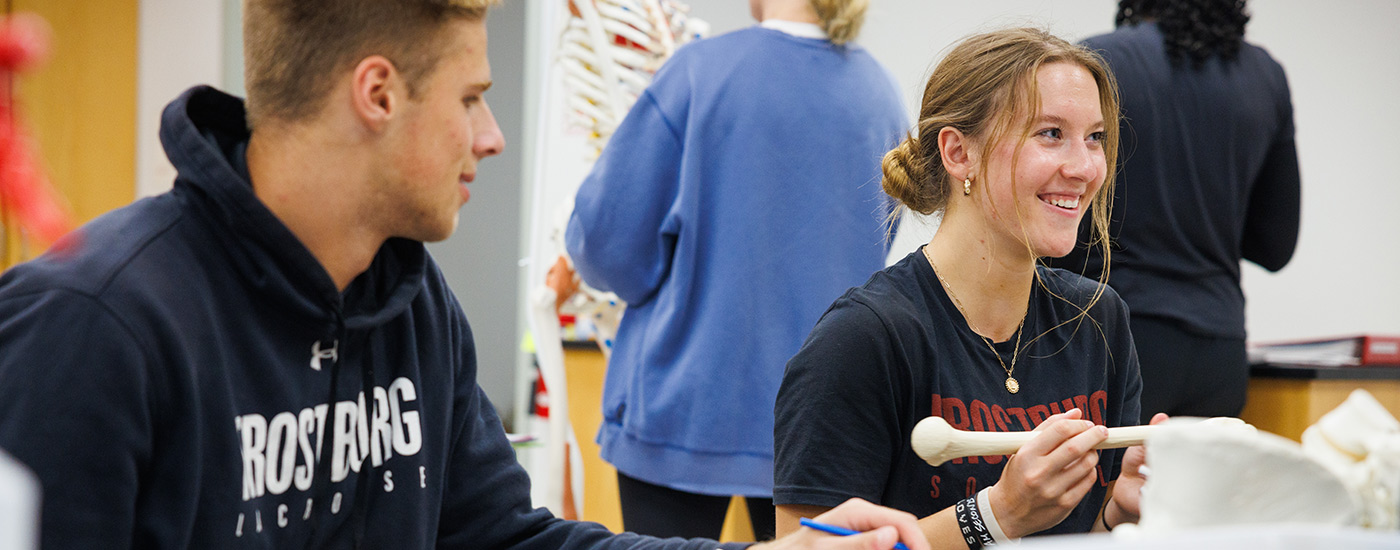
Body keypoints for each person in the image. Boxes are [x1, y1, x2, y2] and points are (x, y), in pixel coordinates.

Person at [0, 1, 931, 548]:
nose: (492, 136)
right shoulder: (91, 326)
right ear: (377, 93)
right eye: (473, 98)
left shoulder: (413, 310)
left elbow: (507, 539)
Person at [772, 28, 1160, 548]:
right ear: (959, 153)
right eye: (1050, 133)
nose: (1085, 167)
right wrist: (997, 515)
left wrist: (1118, 515)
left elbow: (1080, 537)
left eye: (1095, 138)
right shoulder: (863, 340)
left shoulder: (1099, 320)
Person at [564, 0, 907, 541]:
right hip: (822, 419)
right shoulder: (879, 96)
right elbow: (876, 242)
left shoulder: (699, 74)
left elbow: (607, 243)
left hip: (685, 411)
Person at [1048, 0, 1301, 422]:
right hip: (1219, 352)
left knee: (1097, 469)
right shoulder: (1266, 76)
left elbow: (1059, 220)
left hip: (1111, 334)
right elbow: (1275, 246)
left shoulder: (1097, 64)